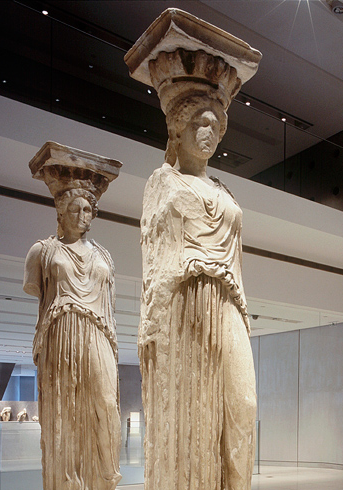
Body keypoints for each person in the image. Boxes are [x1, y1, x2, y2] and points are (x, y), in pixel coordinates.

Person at [125, 9, 262, 490]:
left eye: (215, 125)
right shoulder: (162, 182)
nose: (209, 133)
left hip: (226, 303)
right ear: (178, 129)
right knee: (192, 419)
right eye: (199, 123)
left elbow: (236, 263)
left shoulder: (225, 190)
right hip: (183, 308)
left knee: (242, 405)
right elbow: (154, 260)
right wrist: (152, 324)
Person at [24, 142, 122, 490]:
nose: (83, 215)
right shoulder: (43, 251)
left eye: (88, 210)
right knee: (65, 413)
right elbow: (37, 290)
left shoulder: (104, 256)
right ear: (61, 211)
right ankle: (68, 482)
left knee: (106, 403)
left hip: (97, 334)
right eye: (76, 208)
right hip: (60, 334)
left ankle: (106, 475)